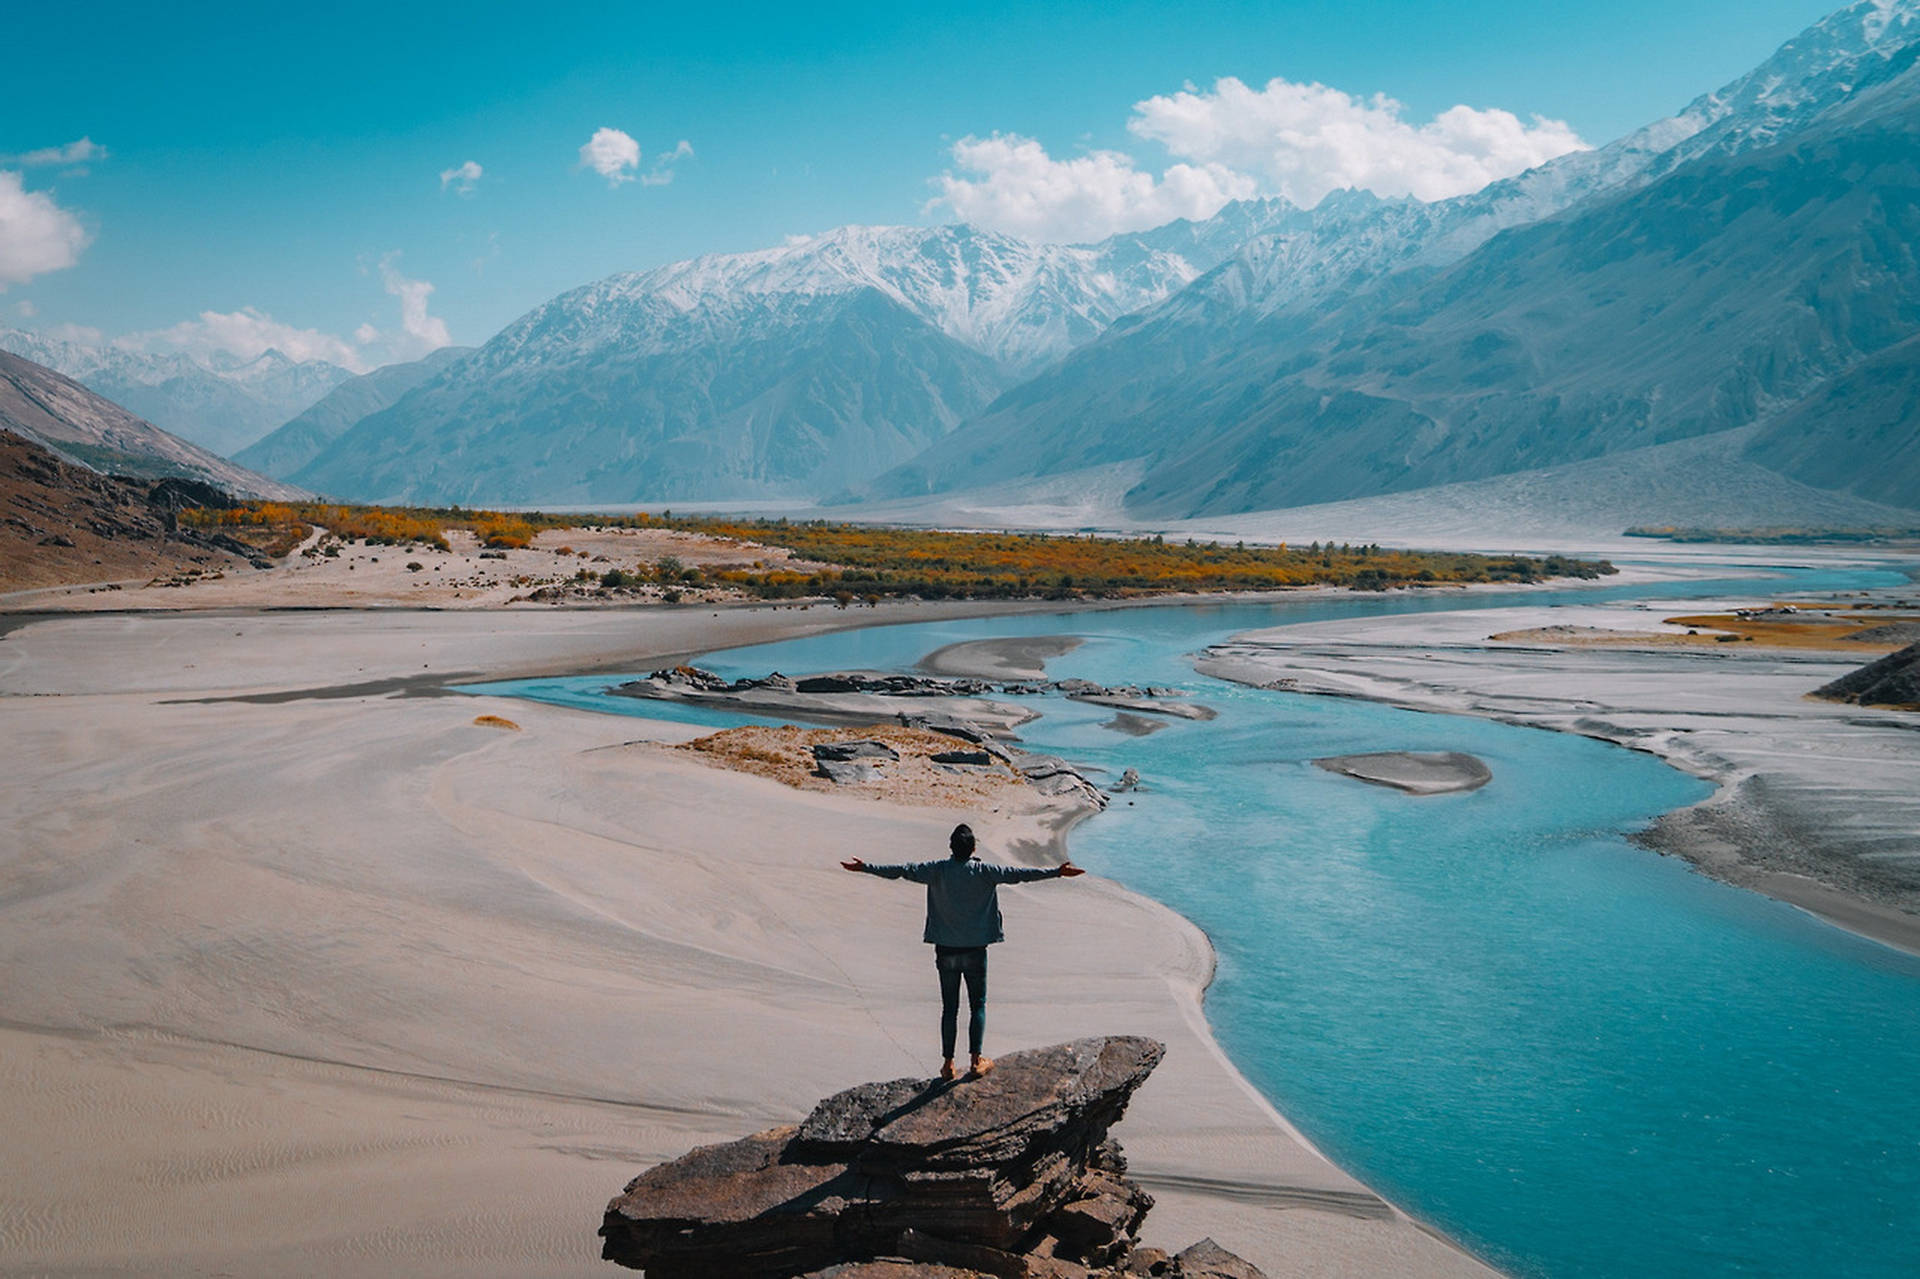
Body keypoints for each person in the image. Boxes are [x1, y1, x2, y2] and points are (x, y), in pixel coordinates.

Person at [843, 823, 1084, 1082]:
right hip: (975, 950)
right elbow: (1020, 874)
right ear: (973, 848)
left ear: (951, 848)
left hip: (945, 949)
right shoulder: (985, 871)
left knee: (950, 1007)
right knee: (977, 1004)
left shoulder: (936, 870)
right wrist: (1057, 872)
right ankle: (975, 1060)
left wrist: (865, 867)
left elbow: (901, 871)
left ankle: (948, 1065)